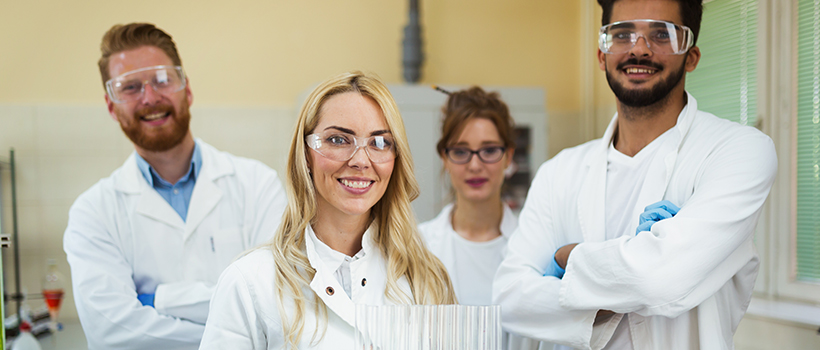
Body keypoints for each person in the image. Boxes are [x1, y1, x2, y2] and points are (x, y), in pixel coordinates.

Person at [492, 0, 777, 349]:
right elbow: (509, 297)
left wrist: (566, 258)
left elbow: (661, 279)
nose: (640, 48)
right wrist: (629, 276)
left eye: (662, 33)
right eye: (623, 34)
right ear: (602, 55)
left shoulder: (738, 151)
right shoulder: (559, 173)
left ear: (692, 56)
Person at [63, 23, 288, 350]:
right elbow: (111, 333)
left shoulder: (258, 184)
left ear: (187, 89)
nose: (150, 98)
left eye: (162, 80)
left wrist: (157, 300)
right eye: (130, 87)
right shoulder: (92, 212)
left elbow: (276, 304)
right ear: (112, 107)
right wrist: (237, 335)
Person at [199, 71, 456, 349]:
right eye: (338, 140)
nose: (361, 160)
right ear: (305, 154)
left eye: (379, 142)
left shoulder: (425, 279)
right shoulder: (250, 282)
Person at [418, 86, 542, 350]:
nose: (475, 165)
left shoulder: (534, 247)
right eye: (461, 151)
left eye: (489, 150)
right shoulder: (418, 247)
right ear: (445, 158)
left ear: (508, 156)